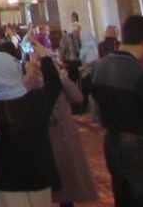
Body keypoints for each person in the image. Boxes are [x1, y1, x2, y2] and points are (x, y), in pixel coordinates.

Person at [90, 14, 143, 207]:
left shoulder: (101, 66)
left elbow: (96, 106)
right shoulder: (139, 72)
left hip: (111, 142)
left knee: (124, 198)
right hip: (140, 147)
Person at [0, 41, 62, 207]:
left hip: (9, 179)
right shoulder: (35, 100)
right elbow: (54, 84)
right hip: (39, 175)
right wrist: (45, 58)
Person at [22, 53, 98, 207]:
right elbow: (20, 98)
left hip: (66, 138)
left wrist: (60, 76)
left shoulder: (59, 80)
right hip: (46, 139)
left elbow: (78, 97)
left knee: (68, 182)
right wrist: (31, 75)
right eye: (36, 59)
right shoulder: (28, 81)